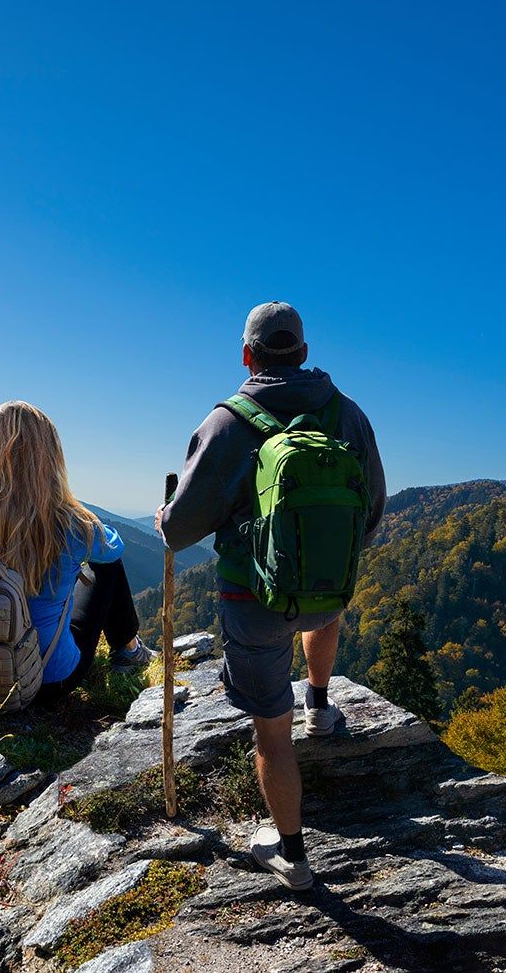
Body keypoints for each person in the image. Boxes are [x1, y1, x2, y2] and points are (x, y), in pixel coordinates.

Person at [156, 302, 386, 890]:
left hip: (251, 602)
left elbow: (181, 529)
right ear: (304, 354)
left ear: (247, 355)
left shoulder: (228, 424)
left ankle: (293, 856)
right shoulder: (348, 417)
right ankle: (319, 703)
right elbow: (372, 511)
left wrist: (164, 516)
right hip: (328, 592)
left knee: (270, 734)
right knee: (320, 608)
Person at [0, 401, 157, 708]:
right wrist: (80, 514)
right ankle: (129, 651)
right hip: (49, 679)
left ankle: (128, 650)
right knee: (106, 568)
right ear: (49, 458)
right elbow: (113, 548)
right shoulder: (69, 523)